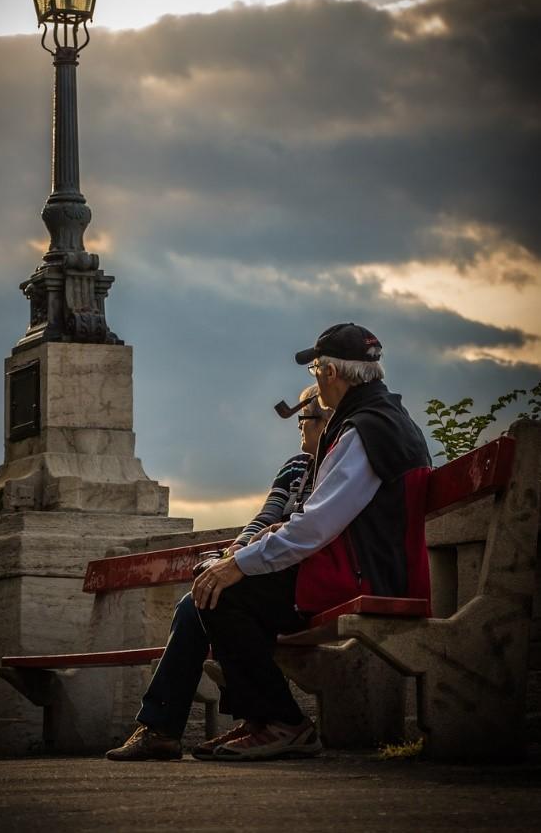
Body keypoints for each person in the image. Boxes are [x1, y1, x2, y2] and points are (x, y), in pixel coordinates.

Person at [108, 322, 432, 762]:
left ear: (331, 373)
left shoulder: (362, 429)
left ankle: (283, 722)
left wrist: (238, 564)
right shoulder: (380, 419)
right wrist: (256, 548)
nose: (315, 380)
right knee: (209, 591)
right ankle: (253, 722)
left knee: (219, 593)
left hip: (361, 576)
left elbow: (315, 526)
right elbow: (323, 519)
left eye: (317, 368)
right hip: (366, 566)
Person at [105, 385, 329, 761]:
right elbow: (266, 515)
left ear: (325, 421)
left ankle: (269, 720)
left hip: (296, 582)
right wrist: (237, 549)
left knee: (215, 597)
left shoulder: (337, 467)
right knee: (196, 600)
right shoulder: (295, 467)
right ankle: (161, 728)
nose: (299, 428)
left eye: (304, 419)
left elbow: (309, 527)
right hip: (265, 571)